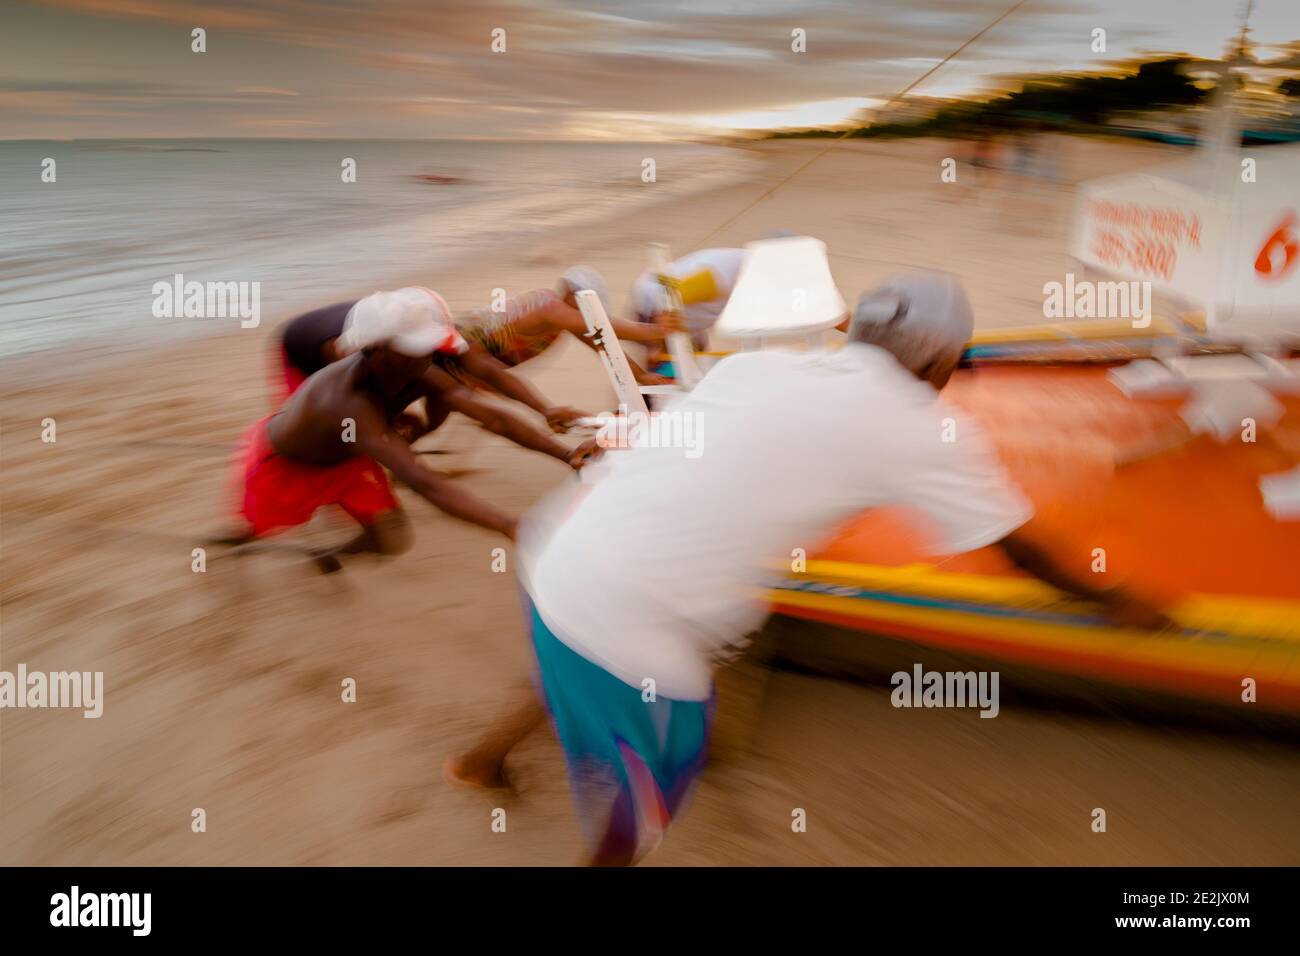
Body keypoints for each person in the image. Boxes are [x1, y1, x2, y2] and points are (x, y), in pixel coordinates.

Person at [450, 271, 1173, 866]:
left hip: (560, 548)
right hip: (629, 619)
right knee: (655, 781)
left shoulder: (759, 365)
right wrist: (1114, 598)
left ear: (855, 333)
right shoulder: (921, 429)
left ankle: (479, 760)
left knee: (571, 655)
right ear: (943, 361)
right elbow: (1019, 545)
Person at [230, 287, 595, 571]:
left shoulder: (412, 366)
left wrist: (565, 453)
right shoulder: (346, 403)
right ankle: (238, 536)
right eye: (414, 348)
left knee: (390, 540)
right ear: (375, 351)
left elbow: (490, 415)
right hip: (289, 468)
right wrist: (510, 526)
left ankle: (325, 553)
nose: (427, 355)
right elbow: (424, 481)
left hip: (347, 462)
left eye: (427, 345)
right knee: (262, 522)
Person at [456, 266, 676, 390]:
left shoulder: (564, 320)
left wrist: (640, 376)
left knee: (452, 396)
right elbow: (601, 326)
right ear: (570, 293)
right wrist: (656, 330)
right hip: (459, 343)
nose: (587, 313)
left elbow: (603, 344)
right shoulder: (550, 307)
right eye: (586, 305)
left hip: (473, 360)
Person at [628, 247, 746, 357]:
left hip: (684, 314)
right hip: (656, 308)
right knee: (673, 367)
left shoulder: (746, 266)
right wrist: (659, 343)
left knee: (693, 364)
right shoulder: (721, 275)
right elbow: (668, 302)